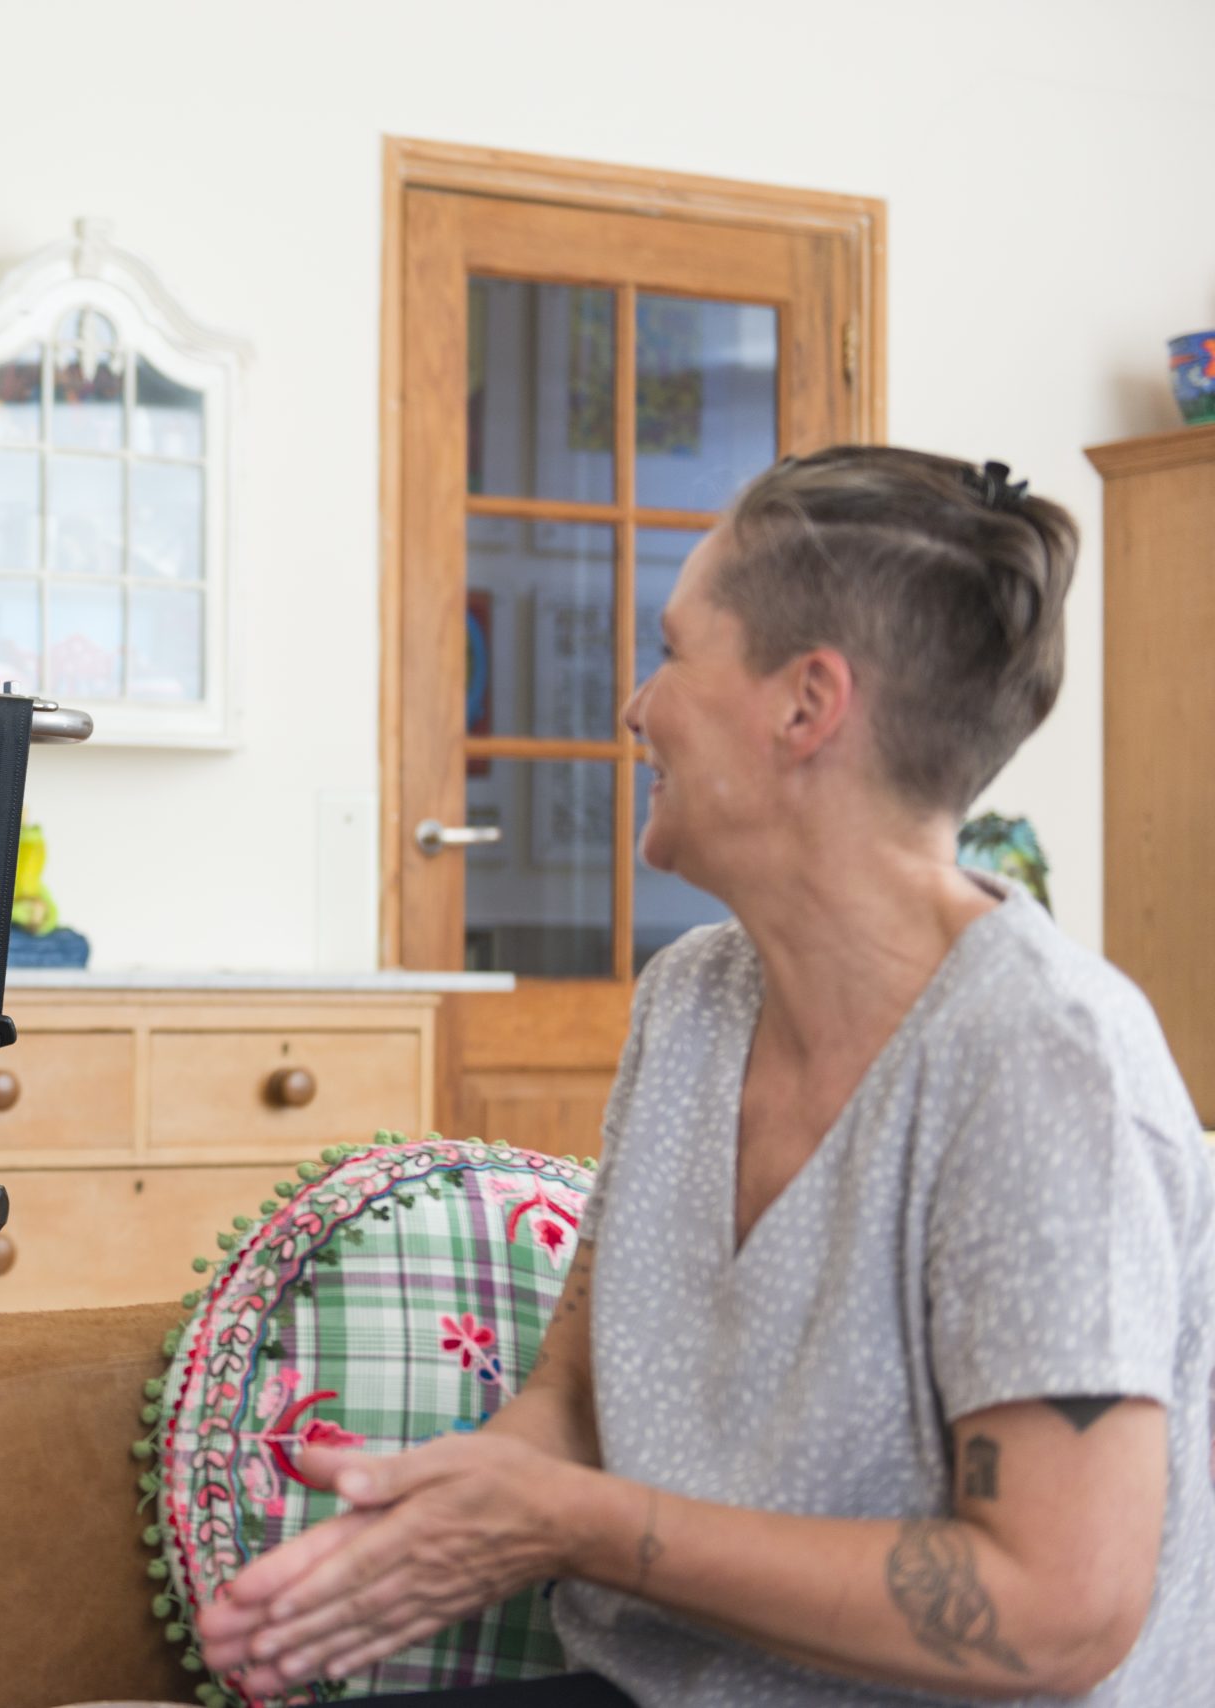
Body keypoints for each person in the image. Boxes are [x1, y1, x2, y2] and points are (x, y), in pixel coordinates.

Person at [200, 448, 1214, 1706]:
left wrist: (576, 1525)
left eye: (673, 653)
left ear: (806, 704)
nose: (637, 706)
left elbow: (1056, 1612)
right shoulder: (690, 999)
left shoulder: (1044, 1061)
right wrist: (448, 1518)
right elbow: (576, 1397)